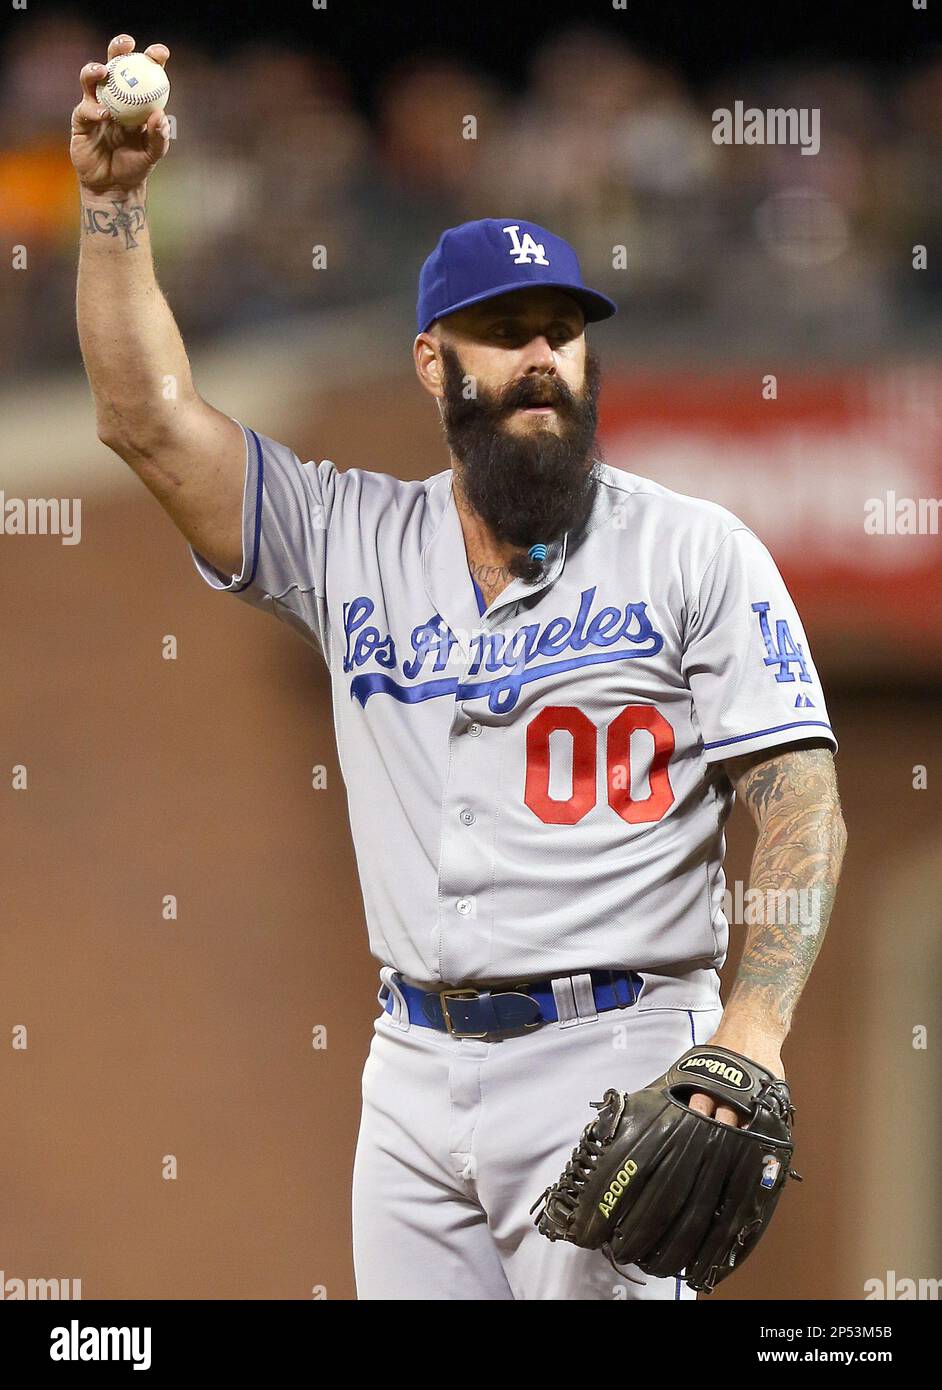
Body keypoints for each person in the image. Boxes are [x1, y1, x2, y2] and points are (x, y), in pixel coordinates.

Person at [73, 34, 848, 1301]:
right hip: (410, 1066)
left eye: (562, 331)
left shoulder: (691, 548)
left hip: (621, 1049)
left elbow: (799, 798)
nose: (542, 358)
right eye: (503, 333)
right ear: (433, 361)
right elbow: (145, 421)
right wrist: (110, 205)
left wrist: (747, 1038)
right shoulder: (351, 536)